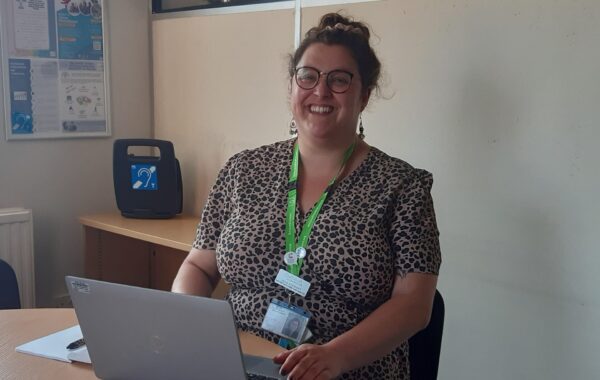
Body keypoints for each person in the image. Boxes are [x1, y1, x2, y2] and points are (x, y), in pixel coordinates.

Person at [172, 12, 441, 380]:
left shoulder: (403, 186)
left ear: (364, 95)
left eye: (340, 80)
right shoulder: (243, 170)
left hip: (346, 370)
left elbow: (414, 305)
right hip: (235, 362)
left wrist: (336, 356)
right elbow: (199, 267)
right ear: (292, 86)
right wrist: (185, 321)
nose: (321, 92)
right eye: (308, 76)